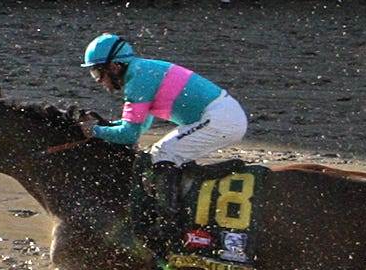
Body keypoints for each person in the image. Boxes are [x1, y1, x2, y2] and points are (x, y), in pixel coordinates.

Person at [83, 33, 247, 173]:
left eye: (97, 72)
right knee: (164, 153)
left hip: (220, 120)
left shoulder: (138, 82)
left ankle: (168, 202)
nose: (98, 81)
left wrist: (93, 130)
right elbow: (141, 126)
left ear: (113, 66)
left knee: (162, 153)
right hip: (224, 116)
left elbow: (129, 135)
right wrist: (108, 126)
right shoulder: (142, 70)